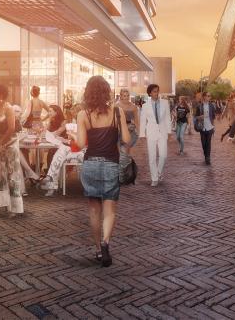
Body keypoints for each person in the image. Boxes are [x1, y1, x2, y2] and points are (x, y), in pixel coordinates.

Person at [74, 76, 132, 268]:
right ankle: (107, 242)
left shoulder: (83, 114)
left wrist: (73, 135)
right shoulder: (117, 112)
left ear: (88, 92)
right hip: (111, 164)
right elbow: (126, 139)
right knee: (110, 209)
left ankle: (98, 250)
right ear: (107, 91)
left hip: (90, 164)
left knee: (93, 211)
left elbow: (81, 143)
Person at [0, 84, 25, 215]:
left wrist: (2, 142)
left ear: (0, 95)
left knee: (11, 174)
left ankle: (15, 208)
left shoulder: (9, 108)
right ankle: (1, 204)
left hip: (10, 145)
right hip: (0, 145)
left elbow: (12, 128)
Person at [138, 83, 173, 186]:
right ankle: (154, 178)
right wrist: (142, 135)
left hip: (162, 132)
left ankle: (158, 172)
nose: (156, 93)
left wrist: (169, 132)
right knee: (152, 157)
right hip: (151, 133)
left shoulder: (165, 103)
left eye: (157, 91)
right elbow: (143, 120)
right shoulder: (145, 106)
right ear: (150, 93)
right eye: (154, 91)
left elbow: (167, 118)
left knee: (163, 155)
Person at [194, 91, 220, 165]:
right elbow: (195, 117)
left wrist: (213, 127)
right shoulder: (199, 106)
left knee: (208, 143)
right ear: (204, 97)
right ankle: (206, 155)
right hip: (202, 127)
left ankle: (207, 158)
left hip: (210, 127)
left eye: (210, 96)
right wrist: (200, 117)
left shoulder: (212, 105)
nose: (209, 97)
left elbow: (213, 117)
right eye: (208, 96)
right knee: (203, 143)